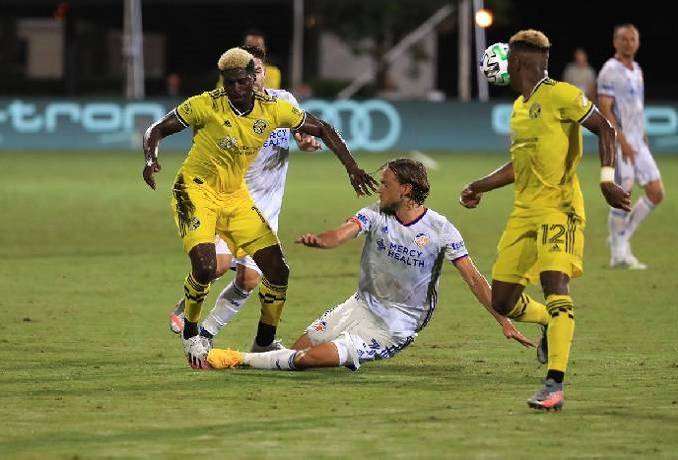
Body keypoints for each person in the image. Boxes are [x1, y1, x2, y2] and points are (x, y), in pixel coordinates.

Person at [142, 47, 377, 369]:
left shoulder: (275, 108)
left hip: (237, 197)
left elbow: (322, 128)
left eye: (241, 82)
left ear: (254, 78)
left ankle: (264, 341)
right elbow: (156, 129)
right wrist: (151, 158)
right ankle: (192, 333)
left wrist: (351, 167)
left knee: (277, 272)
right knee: (210, 266)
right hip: (195, 191)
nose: (235, 89)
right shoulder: (205, 104)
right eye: (229, 83)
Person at [206, 159, 535, 372]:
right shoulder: (377, 212)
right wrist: (322, 240)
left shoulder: (440, 230)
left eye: (386, 183)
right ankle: (257, 359)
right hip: (361, 305)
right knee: (299, 350)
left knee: (309, 361)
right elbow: (343, 232)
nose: (380, 188)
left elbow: (474, 279)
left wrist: (502, 321)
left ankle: (236, 360)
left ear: (406, 190)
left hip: (397, 324)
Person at [459, 30, 630, 411]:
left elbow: (606, 127)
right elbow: (519, 166)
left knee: (556, 286)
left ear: (516, 63)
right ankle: (547, 325)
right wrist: (479, 185)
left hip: (560, 208)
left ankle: (554, 384)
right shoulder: (521, 108)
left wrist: (607, 179)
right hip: (524, 213)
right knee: (501, 301)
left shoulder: (563, 95)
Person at [168, 45, 321, 352]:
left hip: (268, 204)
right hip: (232, 198)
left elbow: (301, 132)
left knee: (250, 281)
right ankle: (183, 312)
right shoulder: (231, 102)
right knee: (219, 265)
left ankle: (208, 333)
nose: (258, 77)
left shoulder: (282, 102)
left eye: (262, 70)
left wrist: (305, 140)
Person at [598, 24, 664, 270]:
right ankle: (618, 254)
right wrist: (622, 141)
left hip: (638, 142)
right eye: (623, 39)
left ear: (638, 42)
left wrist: (642, 133)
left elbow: (636, 106)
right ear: (615, 42)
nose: (628, 43)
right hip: (620, 142)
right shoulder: (609, 70)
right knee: (623, 195)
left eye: (633, 38)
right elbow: (605, 109)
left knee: (656, 192)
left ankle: (622, 236)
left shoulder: (637, 70)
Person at [216, 30, 281, 90]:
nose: (253, 51)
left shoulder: (273, 72)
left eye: (258, 46)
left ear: (265, 50)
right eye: (250, 46)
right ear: (242, 49)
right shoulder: (228, 71)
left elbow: (269, 96)